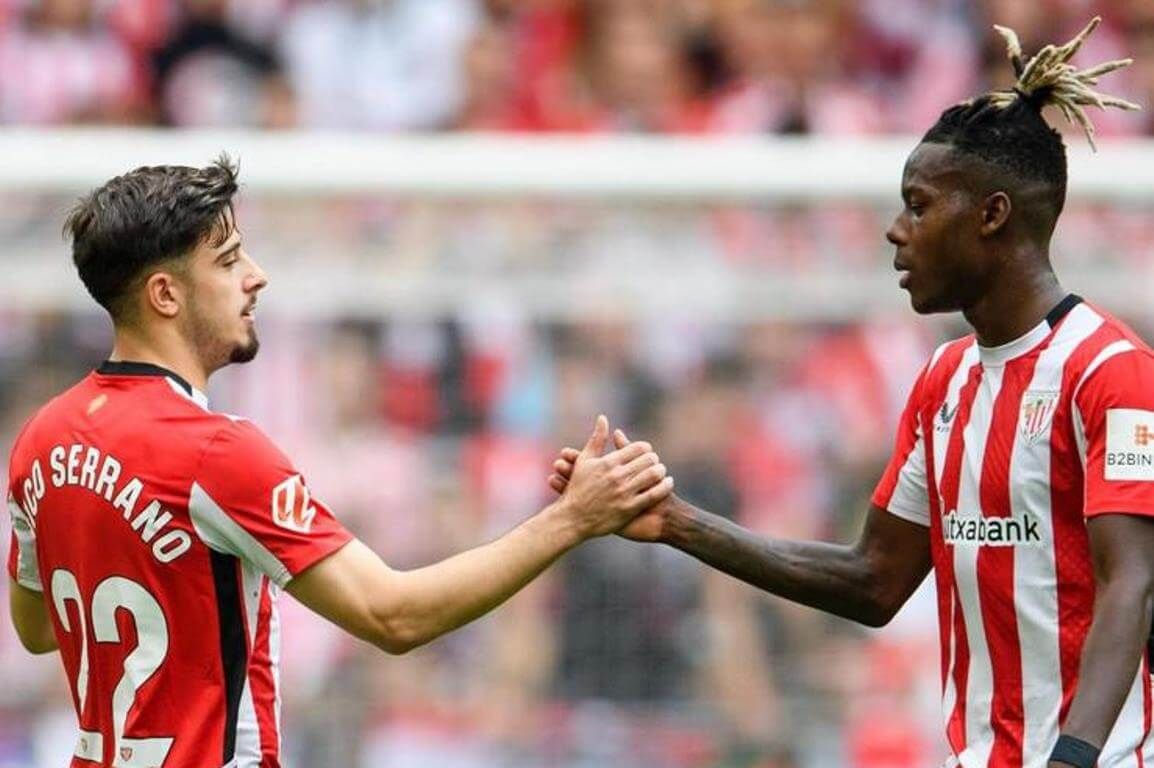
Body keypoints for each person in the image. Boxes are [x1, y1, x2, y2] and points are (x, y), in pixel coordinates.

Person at [551, 17, 1152, 768]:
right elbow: (874, 580)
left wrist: (1071, 760)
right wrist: (676, 522)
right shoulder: (944, 382)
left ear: (992, 215)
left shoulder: (1110, 371)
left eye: (919, 206)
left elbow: (1134, 584)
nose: (896, 232)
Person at [4, 158, 674, 768]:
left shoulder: (42, 439)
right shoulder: (216, 453)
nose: (255, 275)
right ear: (165, 295)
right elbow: (394, 617)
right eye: (228, 260)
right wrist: (571, 519)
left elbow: (36, 630)